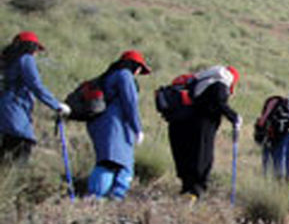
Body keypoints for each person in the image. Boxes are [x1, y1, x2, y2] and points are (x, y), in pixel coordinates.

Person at [84, 50, 151, 200]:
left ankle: (103, 196)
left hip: (102, 126)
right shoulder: (125, 76)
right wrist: (137, 128)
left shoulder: (108, 77)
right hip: (115, 126)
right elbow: (130, 104)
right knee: (112, 162)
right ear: (135, 66)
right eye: (140, 68)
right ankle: (103, 196)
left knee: (111, 161)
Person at [167, 65, 242, 198]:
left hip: (186, 123)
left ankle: (187, 189)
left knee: (190, 156)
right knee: (202, 157)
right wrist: (234, 117)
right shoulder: (220, 82)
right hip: (203, 127)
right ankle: (195, 192)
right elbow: (219, 103)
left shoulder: (202, 81)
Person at [0, 31, 69, 162]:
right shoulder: (26, 59)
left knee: (5, 153)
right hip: (16, 112)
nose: (37, 53)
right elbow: (35, 85)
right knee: (22, 149)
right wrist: (56, 105)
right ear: (30, 46)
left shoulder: (7, 61)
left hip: (4, 113)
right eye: (37, 49)